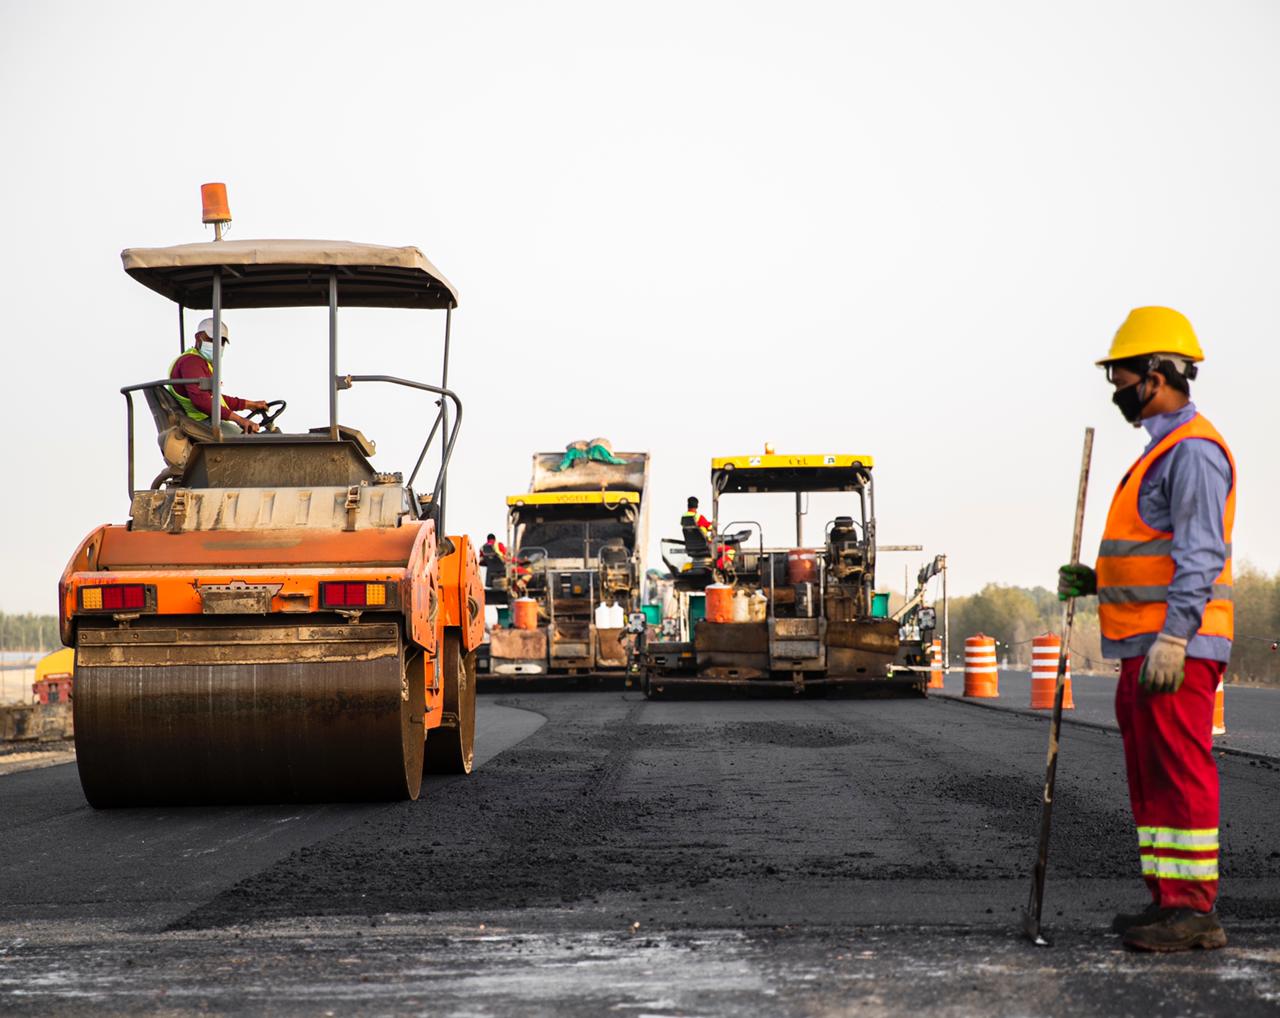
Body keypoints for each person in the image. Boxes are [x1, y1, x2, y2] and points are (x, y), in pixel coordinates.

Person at [1058, 306, 1234, 953]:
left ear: (1157, 375)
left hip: (1175, 649)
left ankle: (1194, 911)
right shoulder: (1157, 452)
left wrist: (1176, 637)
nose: (1117, 391)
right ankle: (1168, 902)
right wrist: (1094, 581)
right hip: (1144, 647)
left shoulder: (1192, 452)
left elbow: (1199, 555)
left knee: (1181, 769)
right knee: (1151, 773)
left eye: (1123, 377)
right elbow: (1149, 557)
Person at [170, 318, 271, 435]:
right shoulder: (191, 362)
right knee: (254, 442)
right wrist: (240, 420)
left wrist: (250, 404)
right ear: (198, 338)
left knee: (256, 438)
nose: (217, 345)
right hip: (198, 424)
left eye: (221, 341)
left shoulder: (203, 362)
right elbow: (202, 402)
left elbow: (217, 399)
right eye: (212, 339)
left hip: (204, 421)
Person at [681, 496, 736, 573]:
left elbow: (698, 527)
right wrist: (713, 524)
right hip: (706, 546)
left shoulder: (684, 517)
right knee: (730, 550)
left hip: (691, 547)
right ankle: (717, 568)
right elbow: (710, 527)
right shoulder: (699, 517)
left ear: (688, 505)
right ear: (697, 506)